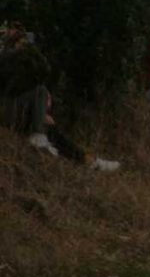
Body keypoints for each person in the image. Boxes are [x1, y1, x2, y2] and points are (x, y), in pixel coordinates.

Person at [1, 24, 120, 171]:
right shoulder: (6, 56)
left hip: (17, 107)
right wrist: (11, 47)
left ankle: (89, 161)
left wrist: (28, 48)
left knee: (51, 129)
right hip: (6, 109)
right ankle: (39, 134)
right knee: (40, 93)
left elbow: (42, 71)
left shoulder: (21, 57)